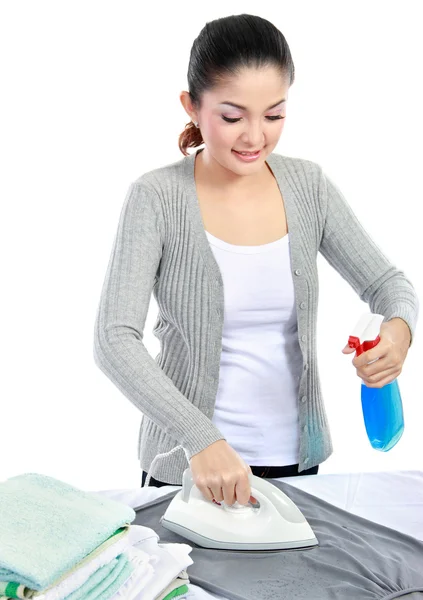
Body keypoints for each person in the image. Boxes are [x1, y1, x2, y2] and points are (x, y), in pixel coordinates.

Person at [93, 14, 419, 507]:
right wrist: (200, 437)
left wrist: (398, 335)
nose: (254, 136)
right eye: (232, 116)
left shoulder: (309, 186)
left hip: (298, 466)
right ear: (192, 106)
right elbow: (113, 339)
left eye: (274, 115)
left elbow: (388, 283)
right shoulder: (156, 197)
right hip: (188, 470)